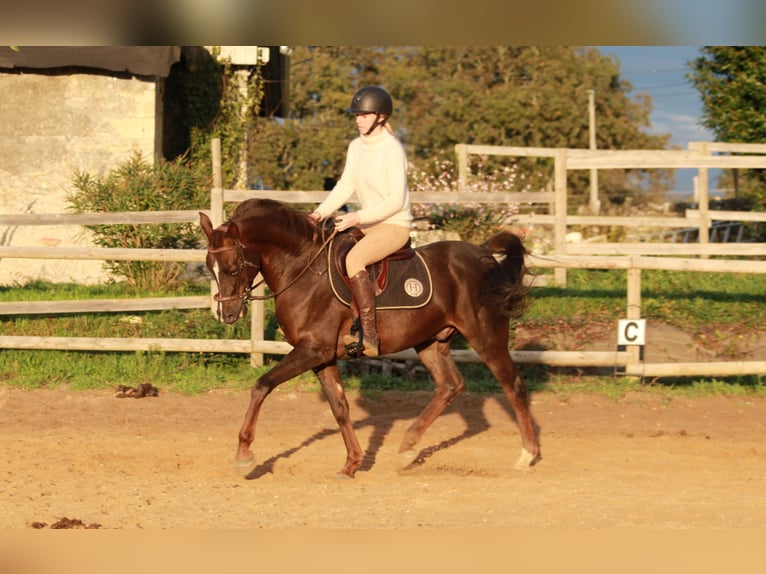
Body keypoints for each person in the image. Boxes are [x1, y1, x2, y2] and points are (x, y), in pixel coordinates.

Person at [309, 85, 412, 357]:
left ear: (381, 116)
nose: (358, 119)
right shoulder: (356, 147)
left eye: (364, 115)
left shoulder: (392, 149)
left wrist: (357, 216)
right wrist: (318, 214)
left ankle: (369, 335)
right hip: (367, 225)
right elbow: (345, 186)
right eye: (356, 115)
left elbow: (395, 201)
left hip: (394, 225)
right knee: (328, 252)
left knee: (354, 260)